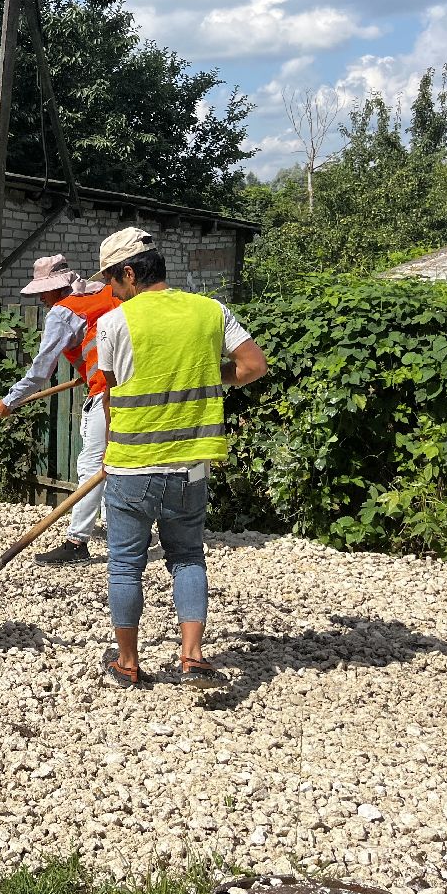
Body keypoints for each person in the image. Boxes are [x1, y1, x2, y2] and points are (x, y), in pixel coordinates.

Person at [93, 227, 268, 690]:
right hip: (191, 466)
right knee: (188, 557)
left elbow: (110, 394)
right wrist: (211, 372)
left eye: (113, 281)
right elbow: (253, 366)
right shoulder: (211, 312)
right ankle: (193, 657)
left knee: (126, 564)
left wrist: (108, 457)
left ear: (128, 274)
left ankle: (127, 664)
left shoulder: (115, 322)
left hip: (133, 466)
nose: (112, 291)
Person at [0, 254, 119, 565]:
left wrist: (10, 400)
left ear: (55, 289)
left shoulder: (63, 313)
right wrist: (85, 372)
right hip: (135, 389)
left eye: (43, 293)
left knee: (92, 467)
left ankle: (76, 543)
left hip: (107, 394)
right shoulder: (102, 292)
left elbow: (40, 371)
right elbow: (101, 340)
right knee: (117, 465)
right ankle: (119, 531)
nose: (43, 300)